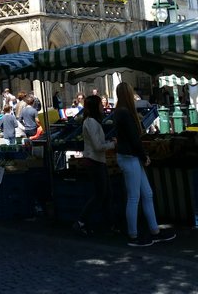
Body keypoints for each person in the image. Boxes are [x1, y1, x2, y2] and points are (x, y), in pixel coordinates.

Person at [114, 81, 176, 247]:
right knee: (134, 197)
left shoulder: (120, 112)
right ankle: (133, 235)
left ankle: (154, 230)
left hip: (129, 156)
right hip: (130, 157)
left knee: (146, 194)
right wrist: (144, 156)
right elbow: (134, 139)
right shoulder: (125, 113)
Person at [73, 95, 116, 236]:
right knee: (100, 194)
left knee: (106, 193)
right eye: (100, 104)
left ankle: (109, 224)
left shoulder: (92, 121)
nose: (102, 106)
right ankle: (81, 221)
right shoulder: (91, 122)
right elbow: (98, 146)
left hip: (98, 160)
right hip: (94, 161)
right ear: (95, 107)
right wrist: (113, 144)